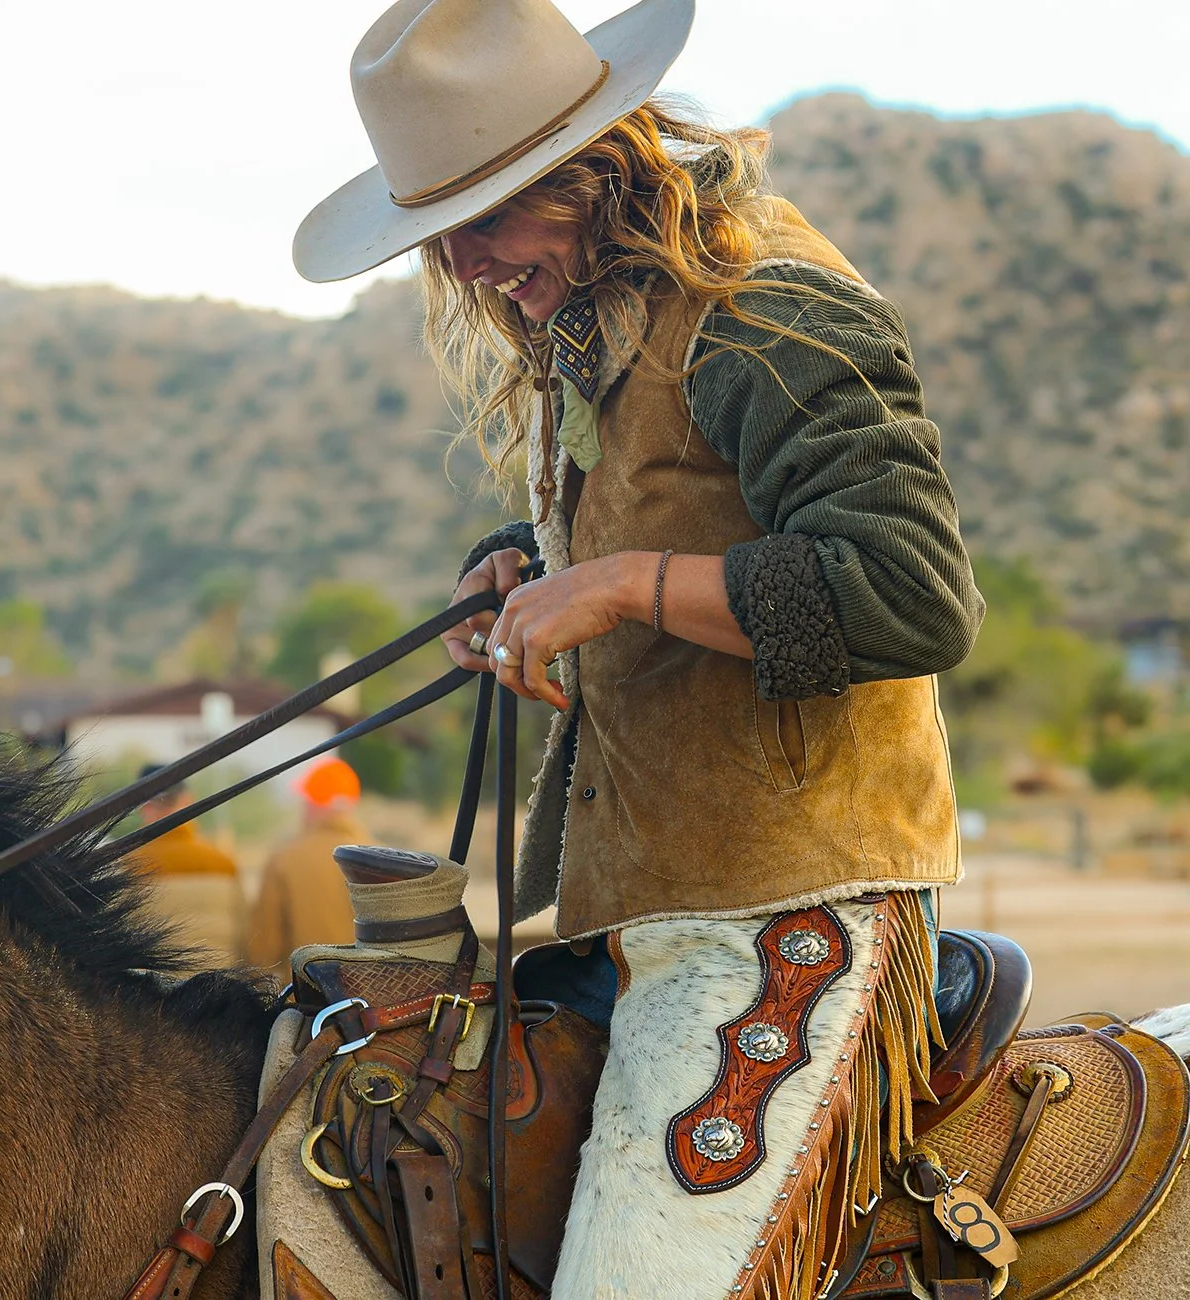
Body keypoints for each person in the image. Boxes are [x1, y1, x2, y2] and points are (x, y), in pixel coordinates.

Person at [292, 1, 984, 1297]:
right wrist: (531, 564)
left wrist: (620, 585)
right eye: (441, 238)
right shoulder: (614, 327)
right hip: (645, 921)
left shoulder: (769, 313)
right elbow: (691, 510)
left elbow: (910, 593)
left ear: (592, 173)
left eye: (488, 220)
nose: (470, 264)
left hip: (783, 920)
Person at [244, 757, 370, 971]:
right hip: (365, 998)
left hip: (304, 998)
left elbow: (262, 950)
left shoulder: (284, 858)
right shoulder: (381, 858)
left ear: (313, 803)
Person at [124, 767, 245, 968]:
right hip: (219, 987)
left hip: (151, 993)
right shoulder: (222, 863)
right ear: (188, 800)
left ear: (144, 808)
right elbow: (246, 935)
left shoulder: (127, 867)